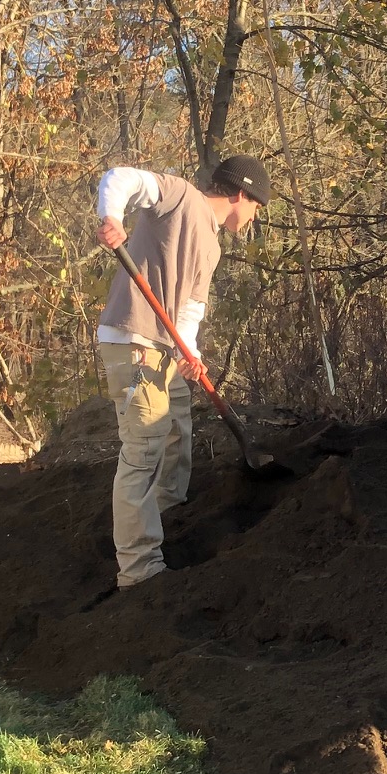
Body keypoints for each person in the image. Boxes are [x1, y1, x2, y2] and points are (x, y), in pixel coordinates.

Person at [94, 155, 269, 587]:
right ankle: (139, 567)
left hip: (164, 348)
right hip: (134, 340)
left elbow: (190, 309)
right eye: (257, 207)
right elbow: (119, 179)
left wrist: (190, 353)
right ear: (240, 194)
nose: (255, 217)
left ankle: (169, 511)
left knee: (177, 426)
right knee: (145, 448)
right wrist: (111, 217)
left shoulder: (211, 245)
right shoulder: (180, 197)